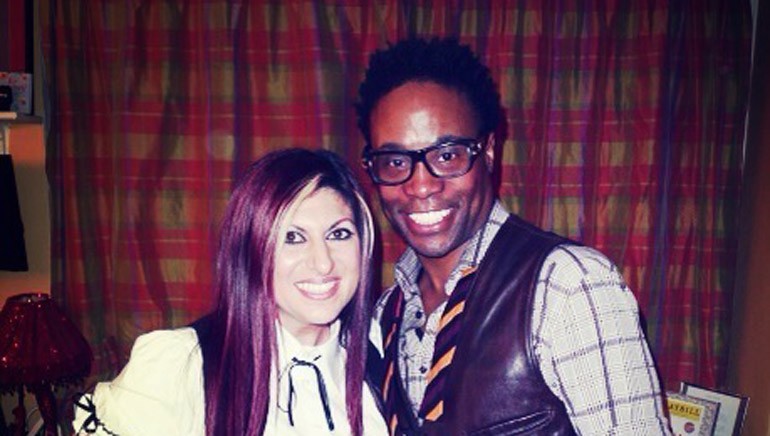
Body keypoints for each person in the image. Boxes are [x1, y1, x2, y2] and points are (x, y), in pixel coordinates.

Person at [357, 37, 671, 435]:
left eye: (447, 155)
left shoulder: (568, 285)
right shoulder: (386, 312)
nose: (420, 185)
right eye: (396, 161)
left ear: (488, 151)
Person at [73, 148, 388, 435]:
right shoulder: (181, 366)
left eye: (339, 233)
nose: (323, 263)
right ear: (250, 249)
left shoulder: (380, 352)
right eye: (292, 237)